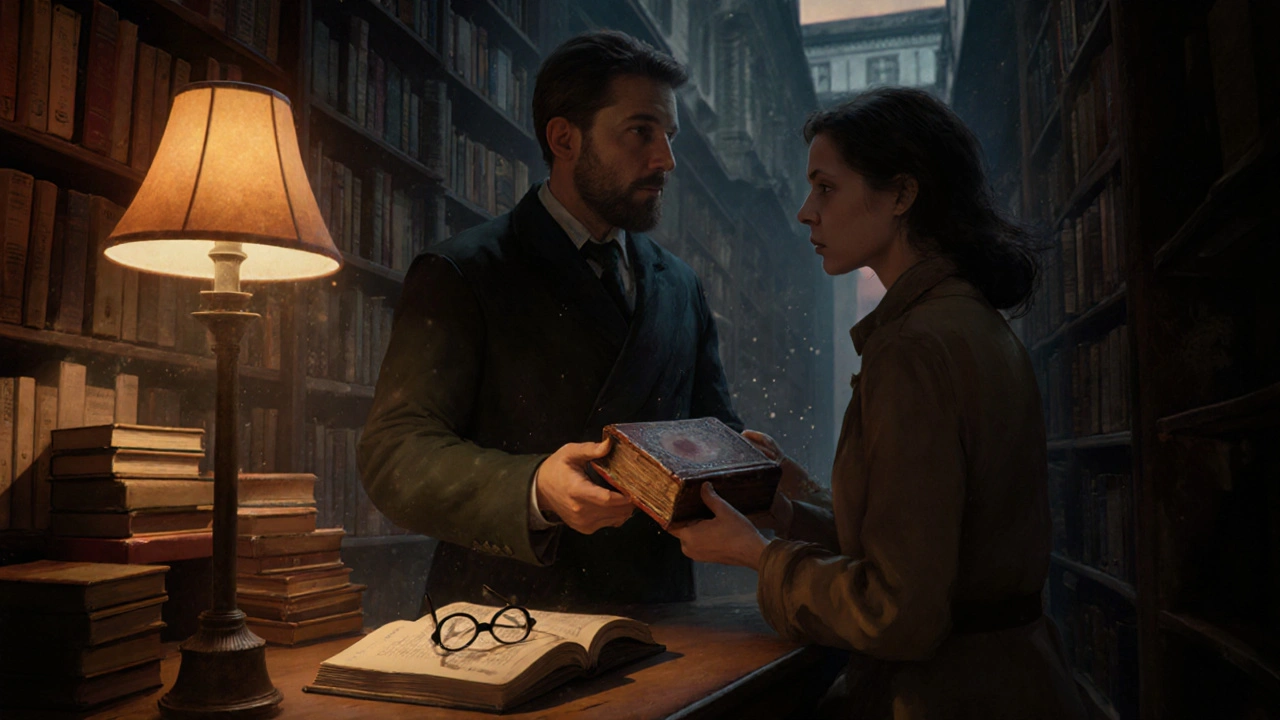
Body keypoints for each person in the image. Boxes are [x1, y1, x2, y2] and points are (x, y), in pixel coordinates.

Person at [671, 87, 1087, 720]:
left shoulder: (915, 347)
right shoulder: (965, 320)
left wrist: (755, 554)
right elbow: (924, 544)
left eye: (826, 188)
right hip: (1009, 681)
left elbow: (899, 612)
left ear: (900, 194)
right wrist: (785, 507)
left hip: (948, 698)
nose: (806, 212)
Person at [357, 30, 741, 611]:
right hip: (506, 618)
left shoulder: (682, 285)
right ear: (564, 138)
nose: (666, 160)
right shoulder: (463, 271)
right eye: (641, 132)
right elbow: (395, 453)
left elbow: (709, 428)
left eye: (669, 136)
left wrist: (740, 458)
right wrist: (535, 487)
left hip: (657, 613)